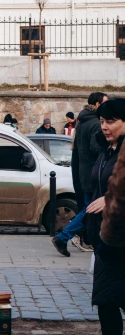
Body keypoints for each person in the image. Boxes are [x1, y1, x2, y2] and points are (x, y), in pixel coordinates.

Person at [71, 99, 125, 335]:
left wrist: (110, 198)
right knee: (109, 299)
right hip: (107, 235)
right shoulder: (108, 150)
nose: (105, 126)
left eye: (112, 121)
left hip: (117, 238)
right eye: (103, 120)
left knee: (106, 299)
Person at [51, 92, 108, 256]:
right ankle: (64, 236)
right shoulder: (96, 123)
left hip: (84, 173)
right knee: (90, 210)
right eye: (105, 103)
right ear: (97, 105)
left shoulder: (82, 121)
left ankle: (79, 238)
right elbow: (95, 148)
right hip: (94, 174)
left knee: (89, 209)